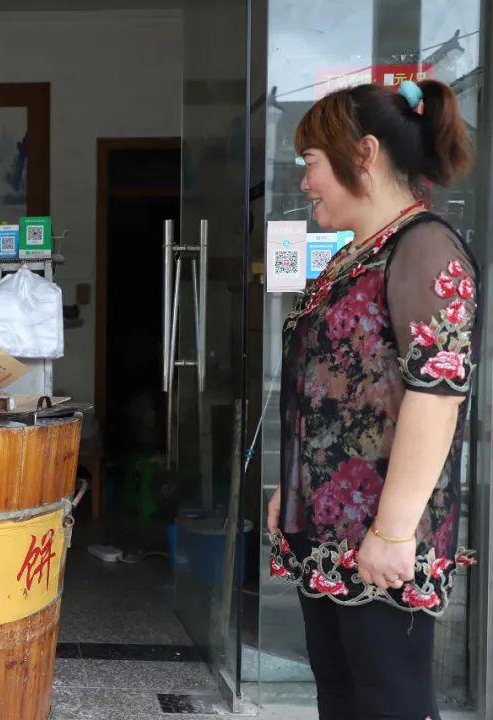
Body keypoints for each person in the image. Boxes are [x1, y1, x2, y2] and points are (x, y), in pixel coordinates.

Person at [266, 79, 478, 720]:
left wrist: (392, 532)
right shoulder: (356, 255)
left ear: (362, 154)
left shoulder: (423, 248)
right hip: (330, 530)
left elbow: (436, 396)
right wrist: (294, 486)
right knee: (344, 697)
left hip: (381, 540)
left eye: (310, 163)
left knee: (388, 701)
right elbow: (341, 386)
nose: (304, 183)